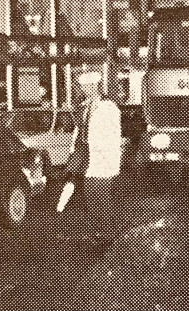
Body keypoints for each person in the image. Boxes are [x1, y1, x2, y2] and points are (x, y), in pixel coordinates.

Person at [56, 71, 122, 248]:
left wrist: (110, 157)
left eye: (90, 86)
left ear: (97, 87)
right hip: (86, 156)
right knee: (90, 196)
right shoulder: (84, 107)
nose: (87, 90)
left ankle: (109, 234)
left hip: (103, 158)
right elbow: (79, 131)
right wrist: (73, 150)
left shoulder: (108, 107)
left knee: (101, 196)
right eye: (84, 87)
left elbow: (115, 134)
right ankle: (97, 232)